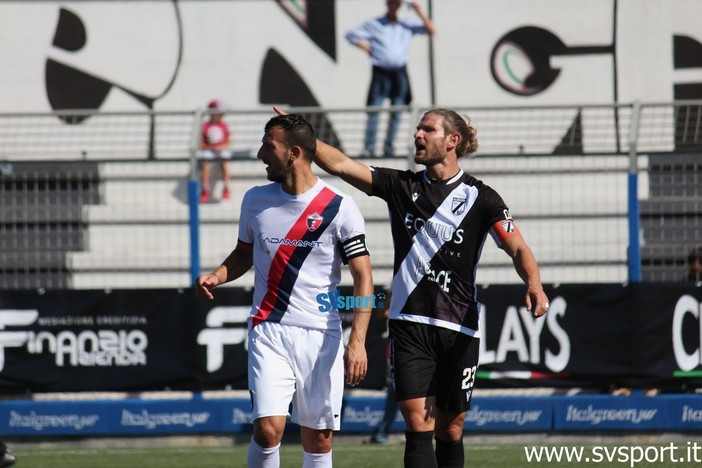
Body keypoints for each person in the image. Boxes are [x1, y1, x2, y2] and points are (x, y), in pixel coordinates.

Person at [276, 106, 549, 467]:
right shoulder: (401, 186)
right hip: (409, 325)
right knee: (417, 422)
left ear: (453, 141)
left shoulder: (483, 198)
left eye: (427, 130)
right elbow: (341, 165)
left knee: (451, 429)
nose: (417, 135)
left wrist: (534, 283)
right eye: (418, 129)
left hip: (460, 326)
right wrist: (304, 135)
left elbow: (517, 246)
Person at [195, 114, 373, 468]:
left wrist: (358, 341)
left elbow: (363, 278)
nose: (261, 153)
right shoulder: (255, 200)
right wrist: (218, 274)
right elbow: (244, 253)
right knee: (268, 430)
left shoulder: (339, 207)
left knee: (318, 439)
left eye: (268, 146)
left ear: (293, 153)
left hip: (322, 333)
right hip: (269, 328)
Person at [346, 0, 435, 157]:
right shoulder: (374, 23)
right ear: (387, 4)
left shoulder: (406, 24)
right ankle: (369, 147)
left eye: (397, 3)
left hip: (399, 73)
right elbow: (351, 35)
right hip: (380, 72)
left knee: (397, 110)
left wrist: (419, 12)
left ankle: (389, 147)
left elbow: (431, 30)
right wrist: (365, 47)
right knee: (374, 110)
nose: (394, 5)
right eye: (391, 2)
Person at [368, 289, 399, 445]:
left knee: (397, 396)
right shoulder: (391, 309)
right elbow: (383, 312)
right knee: (393, 395)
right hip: (394, 356)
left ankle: (382, 432)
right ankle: (382, 432)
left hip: (407, 355)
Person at [199, 99, 233, 203]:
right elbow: (201, 143)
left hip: (221, 149)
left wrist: (221, 147)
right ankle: (205, 188)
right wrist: (209, 147)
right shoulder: (205, 126)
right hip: (209, 150)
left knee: (225, 161)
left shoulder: (224, 126)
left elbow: (228, 142)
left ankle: (226, 186)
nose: (221, 116)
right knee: (205, 162)